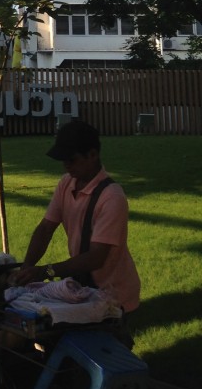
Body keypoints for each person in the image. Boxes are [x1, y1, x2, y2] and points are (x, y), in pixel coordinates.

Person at [14, 120, 140, 344]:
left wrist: (46, 271)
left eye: (71, 160)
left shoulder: (112, 197)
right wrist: (27, 267)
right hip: (85, 287)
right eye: (63, 160)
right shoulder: (66, 184)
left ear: (92, 155)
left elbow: (96, 257)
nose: (66, 166)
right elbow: (46, 228)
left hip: (114, 293)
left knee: (106, 351)